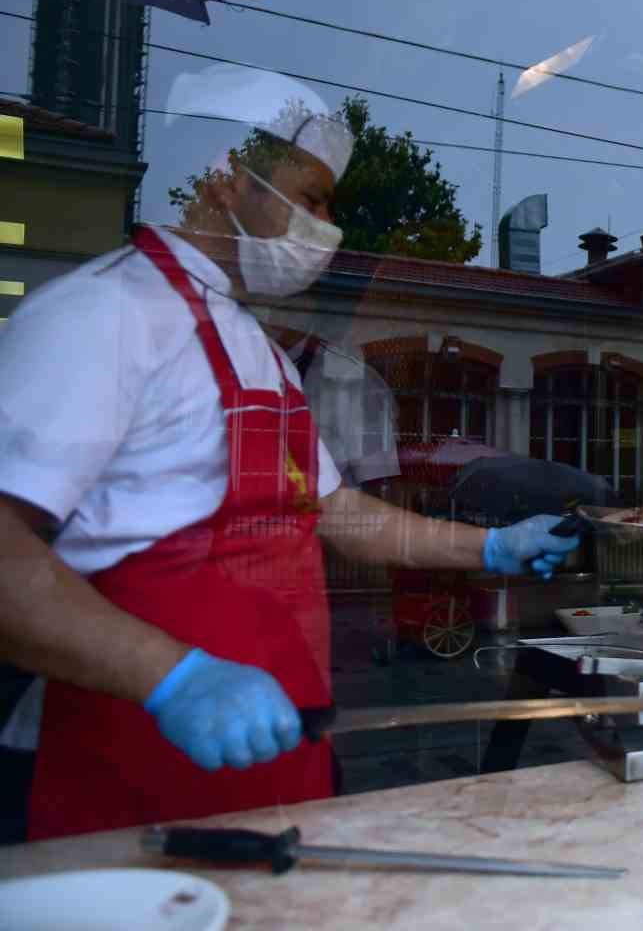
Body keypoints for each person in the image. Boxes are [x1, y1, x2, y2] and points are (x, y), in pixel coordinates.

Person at [0, 73, 580, 840]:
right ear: (227, 177)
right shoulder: (100, 316)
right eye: (312, 198)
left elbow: (338, 513)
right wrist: (171, 676)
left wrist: (492, 546)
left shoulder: (255, 347)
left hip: (276, 768)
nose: (329, 226)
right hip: (124, 777)